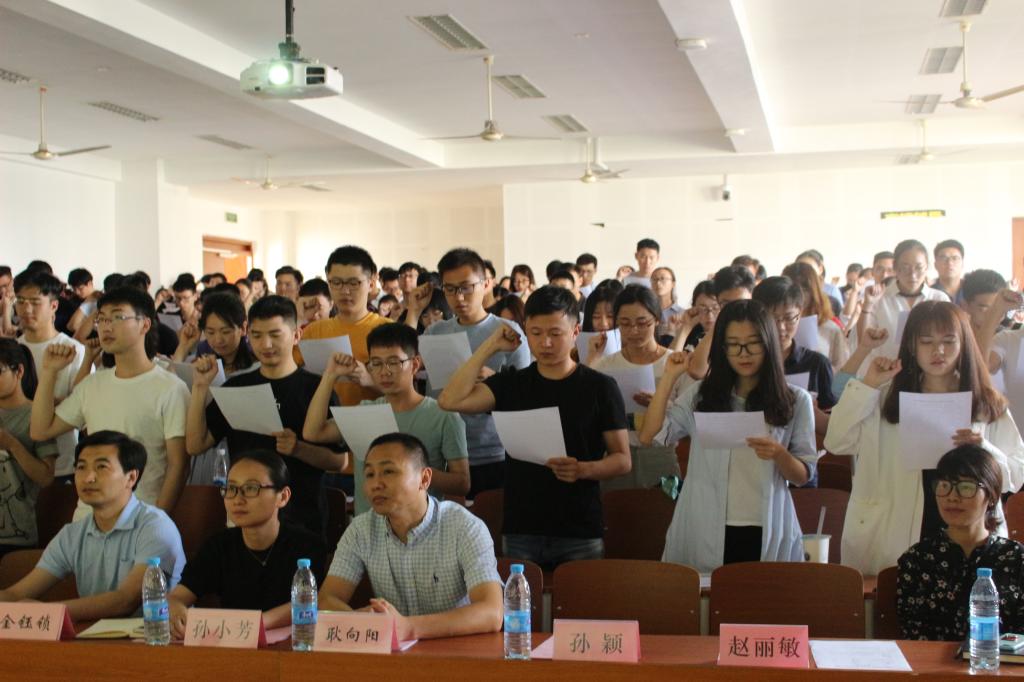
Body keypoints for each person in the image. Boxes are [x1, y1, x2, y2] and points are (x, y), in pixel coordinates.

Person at [825, 301, 1024, 576]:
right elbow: (836, 441)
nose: (938, 351)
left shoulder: (985, 402)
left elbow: (1017, 473)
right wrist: (868, 384)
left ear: (964, 344)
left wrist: (984, 449)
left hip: (969, 530)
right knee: (893, 595)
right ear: (911, 346)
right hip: (893, 528)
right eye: (927, 342)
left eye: (948, 341)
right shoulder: (883, 397)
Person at [439, 285, 630, 569]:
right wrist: (489, 346)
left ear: (575, 332)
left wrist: (583, 469)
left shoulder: (600, 387)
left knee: (580, 597)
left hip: (579, 526)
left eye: (555, 333)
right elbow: (449, 400)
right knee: (521, 597)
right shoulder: (512, 384)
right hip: (522, 525)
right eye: (536, 333)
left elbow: (622, 459)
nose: (545, 343)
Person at [639, 300, 817, 572]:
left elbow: (804, 475)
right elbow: (649, 436)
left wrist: (779, 454)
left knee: (764, 594)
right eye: (733, 345)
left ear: (769, 343)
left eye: (753, 344)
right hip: (704, 522)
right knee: (706, 595)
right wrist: (669, 377)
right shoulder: (701, 395)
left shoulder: (795, 400)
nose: (743, 354)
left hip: (765, 524)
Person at [187, 296, 346, 538]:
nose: (266, 344)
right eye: (257, 335)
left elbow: (339, 462)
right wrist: (199, 388)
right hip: (245, 515)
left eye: (275, 334)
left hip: (303, 517)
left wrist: (299, 449)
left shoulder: (316, 389)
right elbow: (195, 445)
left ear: (296, 335)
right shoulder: (237, 387)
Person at [318, 433, 502, 641]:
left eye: (388, 471)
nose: (375, 484)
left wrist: (409, 627)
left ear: (424, 479)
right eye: (369, 474)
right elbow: (326, 600)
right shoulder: (361, 530)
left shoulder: (464, 527)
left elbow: (492, 612)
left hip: (455, 649)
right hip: (393, 652)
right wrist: (362, 621)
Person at [31, 287, 189, 515]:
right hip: (88, 517)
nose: (106, 326)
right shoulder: (93, 384)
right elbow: (40, 430)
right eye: (102, 319)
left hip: (141, 516)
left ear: (145, 324)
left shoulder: (170, 388)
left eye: (117, 317)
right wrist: (49, 372)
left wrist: (157, 520)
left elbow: (178, 465)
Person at [0, 431, 184, 621]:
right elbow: (16, 594)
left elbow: (126, 600)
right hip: (91, 635)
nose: (88, 478)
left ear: (131, 478)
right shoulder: (73, 534)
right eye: (81, 467)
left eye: (101, 467)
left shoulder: (155, 527)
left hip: (153, 635)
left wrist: (48, 612)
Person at [303, 323, 469, 514]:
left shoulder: (443, 415)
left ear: (415, 364)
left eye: (394, 362)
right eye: (376, 363)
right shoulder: (365, 411)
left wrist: (413, 470)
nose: (385, 371)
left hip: (420, 524)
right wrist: (329, 376)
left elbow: (462, 483)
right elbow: (313, 433)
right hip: (368, 525)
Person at [168, 450, 327, 638]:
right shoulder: (219, 545)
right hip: (233, 646)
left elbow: (315, 603)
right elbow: (177, 597)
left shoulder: (307, 546)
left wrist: (257, 624)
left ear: (283, 497)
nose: (238, 499)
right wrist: (176, 609)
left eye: (251, 488)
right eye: (231, 488)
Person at [416, 249, 532, 498]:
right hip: (444, 452)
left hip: (492, 450)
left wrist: (495, 383)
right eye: (450, 289)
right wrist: (413, 310)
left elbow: (525, 398)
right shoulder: (435, 333)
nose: (459, 297)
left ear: (486, 284)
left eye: (466, 288)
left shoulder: (509, 332)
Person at [896, 444, 1024, 641]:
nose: (952, 497)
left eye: (966, 488)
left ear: (991, 496)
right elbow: (914, 637)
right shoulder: (917, 560)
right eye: (944, 486)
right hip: (934, 661)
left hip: (1001, 660)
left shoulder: (1016, 559)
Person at [589, 285, 681, 490]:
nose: (633, 331)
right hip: (617, 458)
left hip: (661, 456)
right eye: (625, 323)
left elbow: (689, 416)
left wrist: (660, 403)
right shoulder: (605, 366)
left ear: (657, 319)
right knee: (617, 510)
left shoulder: (674, 363)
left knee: (665, 507)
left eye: (642, 323)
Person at [14, 270, 85, 481]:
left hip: (62, 465)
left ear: (54, 306)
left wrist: (45, 404)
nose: (26, 309)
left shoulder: (74, 351)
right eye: (20, 301)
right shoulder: (12, 350)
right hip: (15, 467)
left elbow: (82, 409)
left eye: (35, 302)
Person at [300, 246, 390, 406]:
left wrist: (370, 380)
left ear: (371, 284)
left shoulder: (388, 330)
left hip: (372, 417)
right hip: (324, 417)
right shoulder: (313, 331)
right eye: (336, 282)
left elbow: (406, 392)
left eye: (354, 283)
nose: (345, 291)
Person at [752, 276, 837, 437]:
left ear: (800, 313)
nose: (781, 327)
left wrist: (812, 412)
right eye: (771, 319)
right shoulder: (747, 361)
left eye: (789, 318)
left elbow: (833, 429)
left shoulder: (817, 364)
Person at [0, 339, 58, 555]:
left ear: (19, 371)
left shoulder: (37, 415)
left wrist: (12, 444)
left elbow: (46, 477)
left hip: (16, 533)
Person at [857, 239, 950, 372]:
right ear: (895, 267)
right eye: (905, 267)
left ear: (927, 267)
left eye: (919, 267)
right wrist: (867, 305)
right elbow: (863, 342)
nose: (912, 274)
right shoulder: (878, 299)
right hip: (886, 374)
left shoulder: (939, 299)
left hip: (929, 375)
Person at [688, 266, 755, 380]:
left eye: (740, 303)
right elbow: (697, 371)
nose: (734, 310)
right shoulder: (718, 329)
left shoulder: (762, 325)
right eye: (726, 304)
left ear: (752, 297)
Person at [781, 261, 849, 372]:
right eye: (793, 288)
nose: (799, 294)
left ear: (814, 290)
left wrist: (822, 366)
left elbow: (843, 368)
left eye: (805, 288)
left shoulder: (830, 328)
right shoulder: (775, 326)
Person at [650, 266, 683, 345]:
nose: (658, 283)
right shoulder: (646, 311)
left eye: (663, 279)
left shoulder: (682, 313)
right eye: (654, 279)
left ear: (673, 284)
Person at [933, 239, 966, 305]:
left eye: (955, 258)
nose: (949, 263)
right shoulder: (929, 294)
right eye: (943, 258)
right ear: (935, 264)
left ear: (962, 264)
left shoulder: (973, 291)